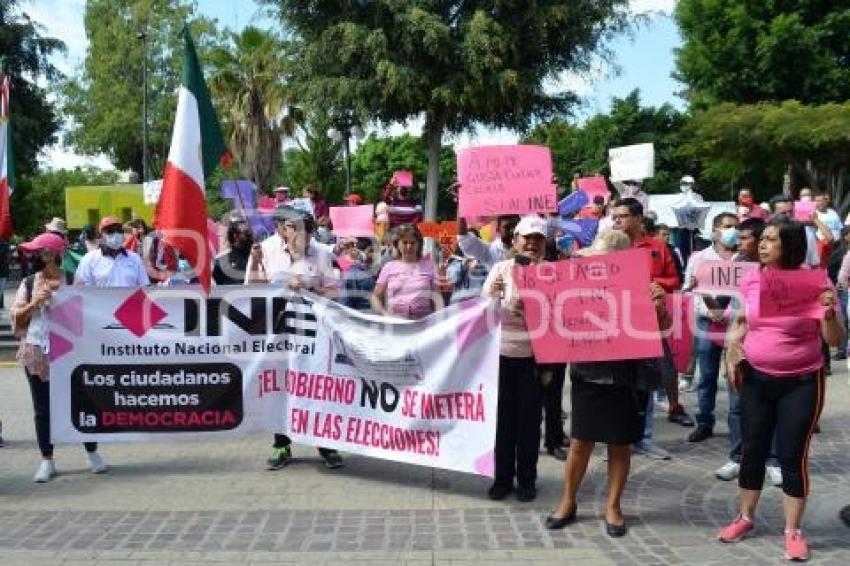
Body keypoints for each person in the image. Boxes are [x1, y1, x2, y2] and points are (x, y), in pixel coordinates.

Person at [718, 216, 845, 562]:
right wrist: (732, 352)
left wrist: (830, 314)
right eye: (763, 238)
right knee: (753, 450)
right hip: (757, 379)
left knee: (791, 455)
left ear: (789, 245)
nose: (762, 243)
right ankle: (745, 517)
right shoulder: (754, 278)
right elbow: (742, 321)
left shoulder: (815, 281)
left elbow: (834, 341)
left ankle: (792, 530)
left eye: (771, 239)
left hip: (802, 381)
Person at [546, 230, 669, 537]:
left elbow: (663, 326)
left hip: (626, 375)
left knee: (620, 443)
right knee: (580, 441)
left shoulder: (645, 286)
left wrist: (659, 307)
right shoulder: (576, 283)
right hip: (587, 371)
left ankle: (613, 506)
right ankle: (568, 501)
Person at [246, 207, 344, 470]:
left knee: (316, 385)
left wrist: (309, 287)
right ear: (283, 230)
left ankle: (326, 445)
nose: (299, 235)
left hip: (314, 334)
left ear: (312, 233)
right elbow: (251, 290)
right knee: (281, 387)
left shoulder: (323, 253)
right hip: (278, 332)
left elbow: (335, 292)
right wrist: (255, 263)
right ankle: (281, 444)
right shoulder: (265, 250)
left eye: (305, 230)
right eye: (293, 229)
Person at [10, 233, 107, 482]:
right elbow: (17, 319)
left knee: (81, 401)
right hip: (37, 352)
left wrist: (63, 299)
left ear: (52, 254)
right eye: (35, 253)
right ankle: (47, 459)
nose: (35, 257)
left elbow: (88, 316)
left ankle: (92, 451)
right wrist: (35, 303)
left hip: (70, 352)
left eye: (40, 252)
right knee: (42, 409)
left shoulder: (74, 281)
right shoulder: (29, 283)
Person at [612, 198, 692, 461]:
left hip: (649, 325)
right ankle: (618, 439)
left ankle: (644, 438)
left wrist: (649, 282)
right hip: (615, 325)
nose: (617, 222)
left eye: (622, 217)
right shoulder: (608, 247)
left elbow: (675, 281)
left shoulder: (658, 248)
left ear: (638, 218)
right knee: (619, 385)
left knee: (645, 383)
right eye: (615, 217)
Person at [481, 215, 548, 502]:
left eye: (537, 239)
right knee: (503, 421)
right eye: (527, 238)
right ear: (516, 240)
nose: (531, 244)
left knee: (529, 422)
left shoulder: (553, 272)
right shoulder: (501, 268)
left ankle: (527, 480)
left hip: (536, 358)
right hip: (501, 356)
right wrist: (493, 296)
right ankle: (502, 478)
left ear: (545, 243)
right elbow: (483, 311)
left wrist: (533, 305)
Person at [714, 218, 782, 486]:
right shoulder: (735, 266)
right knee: (737, 405)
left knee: (773, 404)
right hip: (739, 342)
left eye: (744, 238)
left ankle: (774, 460)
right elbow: (722, 302)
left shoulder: (784, 271)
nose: (738, 243)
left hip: (771, 344)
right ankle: (737, 456)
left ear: (761, 239)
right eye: (737, 238)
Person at [684, 212, 740, 443]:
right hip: (708, 322)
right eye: (727, 226)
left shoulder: (744, 258)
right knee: (707, 376)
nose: (732, 231)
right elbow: (689, 288)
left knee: (736, 376)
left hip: (737, 324)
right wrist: (711, 312)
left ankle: (736, 424)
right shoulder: (700, 257)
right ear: (715, 230)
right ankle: (705, 421)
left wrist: (729, 313)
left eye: (735, 226)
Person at [371, 223, 440, 320]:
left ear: (419, 244)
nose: (409, 246)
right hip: (395, 324)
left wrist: (438, 321)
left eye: (412, 243)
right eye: (405, 242)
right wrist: (384, 315)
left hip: (422, 325)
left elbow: (437, 298)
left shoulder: (429, 266)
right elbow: (376, 296)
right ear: (397, 244)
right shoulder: (389, 267)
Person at [75, 217, 150, 288]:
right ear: (101, 235)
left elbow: (144, 287)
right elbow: (80, 290)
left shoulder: (135, 258)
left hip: (129, 301)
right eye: (110, 231)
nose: (116, 234)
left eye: (119, 231)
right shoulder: (89, 259)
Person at [213, 217, 253, 286]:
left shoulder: (259, 255)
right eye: (246, 233)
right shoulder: (220, 263)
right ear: (235, 236)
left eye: (250, 232)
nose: (250, 236)